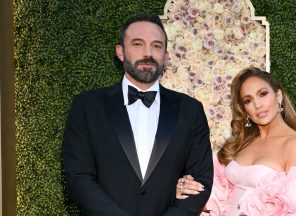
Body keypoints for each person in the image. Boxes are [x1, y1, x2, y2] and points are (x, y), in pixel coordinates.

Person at [63, 14, 213, 216]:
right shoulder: (87, 106)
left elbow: (200, 180)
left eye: (157, 46)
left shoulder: (191, 110)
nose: (148, 53)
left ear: (166, 56)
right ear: (120, 52)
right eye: (137, 44)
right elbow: (78, 178)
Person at [176, 66, 296, 215]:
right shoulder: (241, 142)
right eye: (248, 100)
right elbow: (218, 200)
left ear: (278, 96)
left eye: (263, 94)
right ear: (244, 109)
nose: (257, 104)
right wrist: (188, 188)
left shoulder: (294, 145)